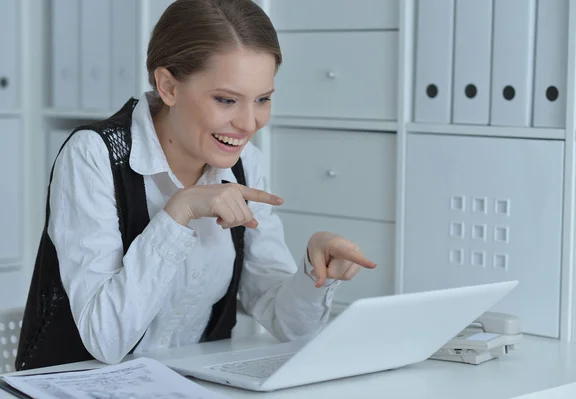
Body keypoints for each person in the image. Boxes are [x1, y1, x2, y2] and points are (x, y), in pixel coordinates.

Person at [16, 0, 377, 371]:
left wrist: (313, 274)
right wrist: (179, 213)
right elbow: (106, 338)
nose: (249, 123)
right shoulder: (94, 156)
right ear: (168, 86)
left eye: (263, 100)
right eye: (226, 100)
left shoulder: (245, 163)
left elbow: (288, 324)